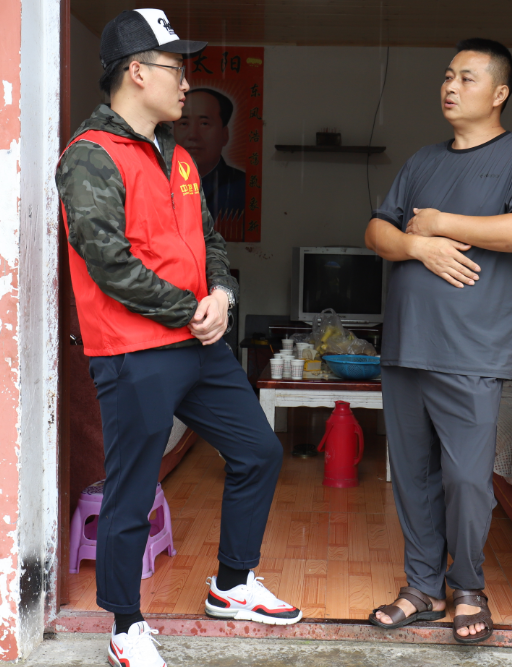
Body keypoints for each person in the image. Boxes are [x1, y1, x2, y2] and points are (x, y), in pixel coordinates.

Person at [55, 9, 300, 667]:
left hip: (198, 344)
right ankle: (125, 625)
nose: (187, 83)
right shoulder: (89, 156)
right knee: (132, 489)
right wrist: (192, 309)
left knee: (258, 450)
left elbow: (210, 240)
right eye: (176, 68)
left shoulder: (180, 157)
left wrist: (221, 293)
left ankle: (231, 584)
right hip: (133, 351)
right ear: (137, 72)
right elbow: (107, 262)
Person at [365, 38, 512, 644]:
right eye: (447, 75)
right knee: (413, 476)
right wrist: (416, 245)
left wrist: (439, 222)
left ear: (499, 93)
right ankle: (422, 588)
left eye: (466, 78)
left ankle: (468, 586)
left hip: (474, 347)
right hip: (406, 344)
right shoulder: (422, 161)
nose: (450, 86)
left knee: (468, 480)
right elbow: (376, 231)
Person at [174, 88, 246, 229]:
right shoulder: (157, 182)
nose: (193, 135)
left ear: (224, 135)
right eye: (184, 124)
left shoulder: (243, 188)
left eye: (204, 124)